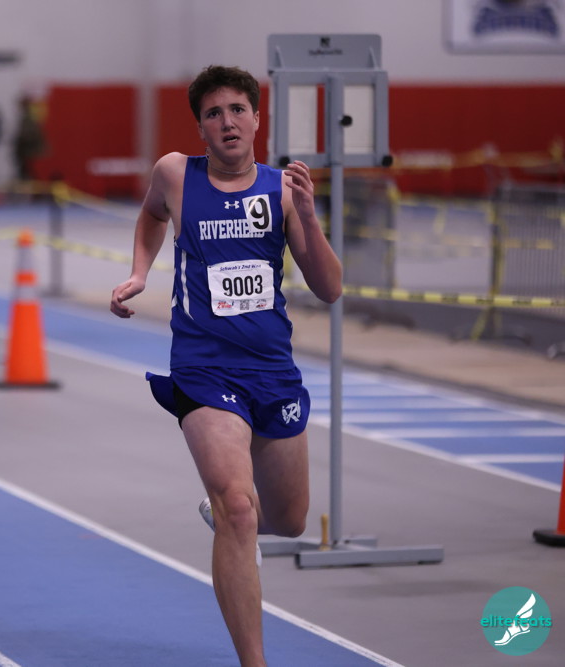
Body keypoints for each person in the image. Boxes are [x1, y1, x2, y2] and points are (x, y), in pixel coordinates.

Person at [109, 65, 341, 666]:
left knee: (287, 519)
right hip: (204, 368)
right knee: (240, 508)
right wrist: (139, 271)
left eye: (237, 109)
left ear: (257, 119)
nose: (227, 122)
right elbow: (152, 214)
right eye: (214, 113)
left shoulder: (282, 190)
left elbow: (330, 288)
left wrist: (309, 215)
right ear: (201, 127)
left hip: (272, 370)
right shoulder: (175, 174)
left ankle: (229, 517)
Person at [12, 95, 46, 183]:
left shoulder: (30, 117)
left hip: (29, 151)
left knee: (30, 172)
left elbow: (31, 134)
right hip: (26, 151)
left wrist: (21, 139)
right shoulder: (27, 117)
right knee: (25, 171)